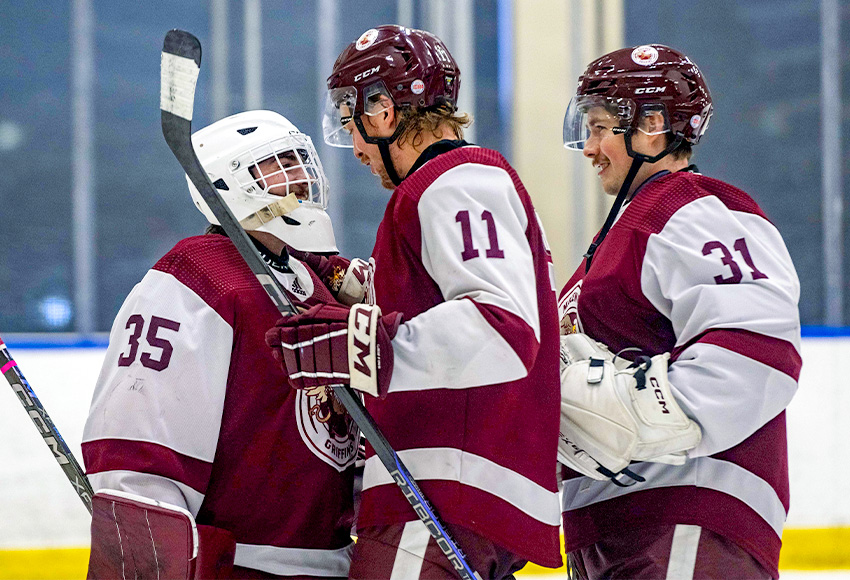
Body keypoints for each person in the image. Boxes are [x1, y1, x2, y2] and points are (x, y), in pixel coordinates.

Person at [264, 25, 563, 580]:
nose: (353, 148)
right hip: (462, 488)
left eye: (352, 123)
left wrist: (363, 345)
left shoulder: (455, 181)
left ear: (382, 111)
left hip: (445, 487)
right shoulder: (460, 184)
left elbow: (503, 329)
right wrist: (359, 289)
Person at [82, 110, 366, 579]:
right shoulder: (198, 276)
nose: (300, 176)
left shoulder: (312, 281)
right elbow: (138, 442)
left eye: (301, 160)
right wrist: (149, 547)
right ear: (226, 184)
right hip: (242, 565)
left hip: (334, 562)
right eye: (279, 163)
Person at [555, 45, 801, 579]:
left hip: (686, 518)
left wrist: (614, 413)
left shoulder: (694, 210)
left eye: (599, 127)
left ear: (651, 126)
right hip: (621, 529)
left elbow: (757, 356)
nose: (589, 147)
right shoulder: (620, 234)